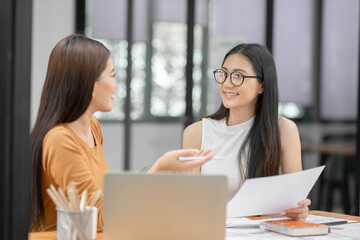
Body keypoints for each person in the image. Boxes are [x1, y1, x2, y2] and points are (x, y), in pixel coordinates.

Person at [30, 34, 215, 231]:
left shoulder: (92, 126)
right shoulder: (60, 140)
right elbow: (101, 216)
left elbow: (103, 199)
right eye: (112, 76)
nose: (115, 85)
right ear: (89, 83)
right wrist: (159, 168)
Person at [182, 43, 310, 221]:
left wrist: (299, 210)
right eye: (223, 74)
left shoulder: (283, 130)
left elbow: (296, 202)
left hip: (264, 232)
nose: (227, 83)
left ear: (262, 86)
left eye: (237, 76)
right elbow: (189, 203)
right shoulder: (196, 133)